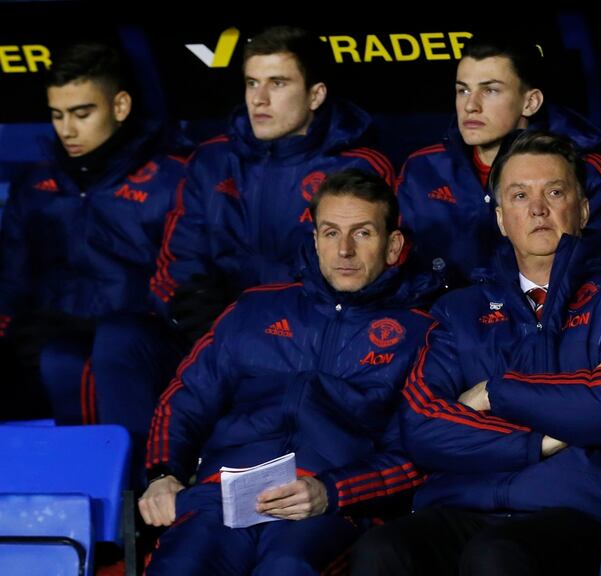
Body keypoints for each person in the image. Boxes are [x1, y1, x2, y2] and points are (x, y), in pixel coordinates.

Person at [350, 131, 601, 576]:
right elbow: (421, 426)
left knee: (495, 557)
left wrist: (494, 393)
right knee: (381, 549)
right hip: (460, 500)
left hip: (575, 508)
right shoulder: (460, 310)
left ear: (585, 208)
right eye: (519, 195)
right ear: (500, 218)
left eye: (554, 192)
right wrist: (545, 439)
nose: (537, 209)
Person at [139, 169, 436, 575]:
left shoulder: (421, 334)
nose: (344, 250)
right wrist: (162, 473)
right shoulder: (254, 308)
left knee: (287, 566)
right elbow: (186, 397)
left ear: (392, 245)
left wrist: (333, 492)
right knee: (183, 565)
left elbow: (420, 452)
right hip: (220, 496)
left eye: (363, 233)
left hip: (328, 507)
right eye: (331, 233)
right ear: (315, 240)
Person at [150, 25, 394, 343]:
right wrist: (189, 305)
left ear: (315, 95)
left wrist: (256, 313)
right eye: (252, 83)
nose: (259, 99)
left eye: (277, 84)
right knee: (126, 337)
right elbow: (178, 258)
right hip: (209, 336)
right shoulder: (211, 160)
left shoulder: (358, 166)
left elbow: (362, 274)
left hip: (305, 337)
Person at [0, 42, 185, 435]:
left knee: (107, 344)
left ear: (120, 106)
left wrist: (93, 325)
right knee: (53, 355)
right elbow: (10, 284)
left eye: (82, 113)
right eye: (57, 115)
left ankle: (134, 484)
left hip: (141, 341)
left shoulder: (172, 179)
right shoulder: (35, 185)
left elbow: (181, 286)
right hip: (53, 341)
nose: (67, 129)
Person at [397, 32, 601, 288]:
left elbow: (597, 272)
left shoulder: (585, 169)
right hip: (447, 321)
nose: (471, 105)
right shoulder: (421, 169)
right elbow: (400, 268)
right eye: (463, 90)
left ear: (530, 102)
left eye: (490, 90)